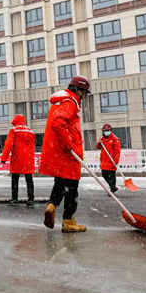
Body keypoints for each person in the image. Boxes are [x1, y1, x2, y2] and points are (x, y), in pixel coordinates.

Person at [40, 76, 90, 233]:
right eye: (85, 93)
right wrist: (68, 144)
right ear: (79, 91)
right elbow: (58, 123)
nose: (85, 96)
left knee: (60, 184)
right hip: (68, 152)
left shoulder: (61, 101)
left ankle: (51, 205)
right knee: (72, 188)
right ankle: (68, 221)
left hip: (59, 152)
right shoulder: (69, 102)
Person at [0, 114, 35, 207]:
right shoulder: (30, 131)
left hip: (17, 158)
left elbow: (8, 145)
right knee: (29, 179)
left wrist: (3, 159)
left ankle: (14, 199)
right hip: (28, 159)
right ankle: (31, 199)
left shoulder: (14, 130)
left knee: (15, 178)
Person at [96, 123, 121, 194]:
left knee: (112, 176)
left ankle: (112, 189)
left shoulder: (115, 139)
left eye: (108, 130)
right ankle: (112, 186)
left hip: (111, 161)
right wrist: (99, 143)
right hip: (104, 161)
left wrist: (116, 161)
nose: (106, 132)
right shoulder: (102, 138)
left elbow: (117, 151)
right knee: (104, 175)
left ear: (111, 130)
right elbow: (97, 147)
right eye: (105, 130)